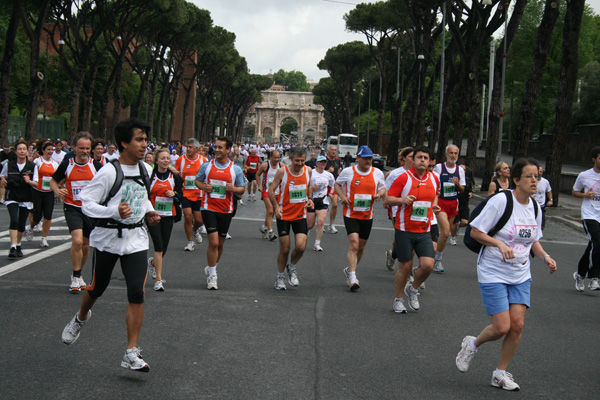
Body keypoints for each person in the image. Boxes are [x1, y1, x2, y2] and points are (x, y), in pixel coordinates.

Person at [61, 117, 160, 372]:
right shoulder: (109, 171)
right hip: (107, 239)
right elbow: (87, 203)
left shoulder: (145, 170)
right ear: (124, 143)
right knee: (96, 288)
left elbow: (142, 197)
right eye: (139, 140)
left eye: (146, 140)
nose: (144, 145)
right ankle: (81, 318)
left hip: (136, 239)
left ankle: (131, 352)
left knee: (137, 293)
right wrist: (114, 211)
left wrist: (148, 211)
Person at [455, 158, 557, 391]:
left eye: (537, 177)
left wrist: (546, 257)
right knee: (501, 327)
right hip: (493, 270)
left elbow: (534, 240)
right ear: (516, 180)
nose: (534, 181)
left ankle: (500, 373)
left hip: (521, 272)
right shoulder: (501, 201)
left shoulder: (535, 207)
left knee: (517, 326)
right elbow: (476, 231)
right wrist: (499, 245)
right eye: (529, 176)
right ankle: (473, 343)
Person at [384, 146, 440, 313]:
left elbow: (435, 194)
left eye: (426, 158)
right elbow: (388, 199)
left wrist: (434, 205)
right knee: (405, 267)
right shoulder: (403, 178)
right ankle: (398, 300)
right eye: (419, 157)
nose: (423, 160)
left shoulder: (434, 179)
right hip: (404, 229)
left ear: (430, 161)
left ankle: (413, 289)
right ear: (413, 160)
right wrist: (402, 200)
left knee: (428, 265)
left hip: (424, 229)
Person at [51, 132, 103, 292]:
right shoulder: (68, 163)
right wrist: (57, 191)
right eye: (81, 148)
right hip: (72, 207)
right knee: (78, 240)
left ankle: (79, 274)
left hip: (90, 209)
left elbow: (106, 185)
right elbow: (54, 180)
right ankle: (75, 276)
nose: (85, 151)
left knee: (86, 245)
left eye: (87, 148)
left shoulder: (96, 166)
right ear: (74, 148)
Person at [195, 136, 245, 290]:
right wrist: (204, 188)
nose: (216, 150)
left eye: (220, 147)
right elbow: (197, 180)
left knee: (221, 244)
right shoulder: (207, 166)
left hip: (226, 209)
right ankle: (212, 276)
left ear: (228, 150)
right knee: (214, 242)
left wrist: (233, 189)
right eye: (215, 147)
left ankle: (212, 267)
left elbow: (242, 190)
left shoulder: (235, 169)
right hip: (208, 207)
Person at [335, 146, 386, 290]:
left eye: (370, 158)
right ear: (358, 158)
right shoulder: (348, 172)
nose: (368, 161)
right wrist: (343, 196)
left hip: (367, 215)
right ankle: (352, 276)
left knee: (361, 247)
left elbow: (383, 188)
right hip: (351, 213)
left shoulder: (377, 173)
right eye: (365, 158)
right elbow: (337, 184)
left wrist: (379, 195)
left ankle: (350, 269)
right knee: (354, 244)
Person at [269, 146, 314, 290]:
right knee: (285, 248)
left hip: (300, 214)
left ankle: (291, 266)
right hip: (284, 214)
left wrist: (311, 198)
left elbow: (309, 185)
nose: (300, 164)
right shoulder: (283, 171)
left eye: (302, 161)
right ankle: (280, 276)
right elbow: (271, 190)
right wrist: (276, 206)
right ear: (290, 158)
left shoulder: (308, 171)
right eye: (297, 161)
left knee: (301, 247)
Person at [147, 148, 183, 291]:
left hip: (168, 215)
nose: (166, 161)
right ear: (156, 160)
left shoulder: (175, 177)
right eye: (162, 158)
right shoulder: (150, 176)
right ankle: (158, 280)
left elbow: (181, 194)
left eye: (167, 158)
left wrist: (174, 193)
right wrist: (148, 211)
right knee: (158, 245)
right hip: (153, 215)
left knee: (163, 248)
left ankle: (153, 263)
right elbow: (144, 194)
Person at [432, 144, 465, 272]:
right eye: (451, 153)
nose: (453, 156)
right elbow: (432, 181)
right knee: (445, 232)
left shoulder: (460, 170)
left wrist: (457, 185)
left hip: (453, 203)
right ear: (446, 154)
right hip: (441, 202)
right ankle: (438, 260)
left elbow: (462, 190)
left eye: (455, 153)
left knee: (445, 235)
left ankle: (437, 256)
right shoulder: (439, 168)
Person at [0, 139, 35, 257]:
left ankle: (19, 244)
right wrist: (3, 180)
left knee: (21, 223)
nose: (22, 151)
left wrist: (29, 181)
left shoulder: (32, 166)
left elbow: (36, 183)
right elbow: (2, 176)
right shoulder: (9, 165)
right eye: (19, 149)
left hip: (26, 197)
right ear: (15, 151)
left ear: (27, 151)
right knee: (14, 220)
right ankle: (13, 246)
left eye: (24, 149)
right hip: (13, 196)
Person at [572, 146, 600, 291]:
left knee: (593, 246)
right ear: (594, 159)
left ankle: (580, 274)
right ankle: (594, 278)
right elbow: (575, 191)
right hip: (589, 215)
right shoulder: (584, 175)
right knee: (598, 244)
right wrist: (585, 195)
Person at [384, 147, 414, 271]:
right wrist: (387, 201)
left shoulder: (421, 174)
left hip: (415, 211)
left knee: (407, 240)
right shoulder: (395, 174)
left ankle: (393, 254)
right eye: (411, 157)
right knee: (402, 238)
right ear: (404, 159)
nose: (413, 159)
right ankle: (408, 273)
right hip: (398, 210)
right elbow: (387, 191)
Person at [175, 138, 207, 251]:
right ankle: (190, 242)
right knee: (188, 216)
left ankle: (194, 230)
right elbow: (176, 174)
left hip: (199, 194)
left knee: (199, 220)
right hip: (186, 193)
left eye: (190, 147)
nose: (187, 149)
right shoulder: (181, 160)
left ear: (196, 149)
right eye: (186, 147)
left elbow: (208, 176)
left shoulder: (203, 160)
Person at [27, 140, 59, 247]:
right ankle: (30, 228)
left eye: (52, 150)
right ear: (43, 150)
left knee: (48, 216)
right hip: (37, 191)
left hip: (49, 192)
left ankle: (44, 238)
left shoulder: (55, 164)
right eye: (48, 150)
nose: (50, 152)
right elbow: (31, 171)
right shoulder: (38, 161)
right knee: (36, 217)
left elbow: (58, 178)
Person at [307, 155, 335, 251]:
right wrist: (311, 188)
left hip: (323, 200)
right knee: (310, 225)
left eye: (324, 162)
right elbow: (304, 185)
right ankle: (305, 233)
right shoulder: (311, 173)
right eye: (321, 162)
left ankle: (317, 243)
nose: (322, 164)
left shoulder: (329, 175)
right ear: (317, 163)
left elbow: (333, 185)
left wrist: (330, 193)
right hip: (311, 200)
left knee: (320, 223)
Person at [255, 150, 282, 241]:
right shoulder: (265, 165)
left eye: (278, 157)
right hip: (267, 190)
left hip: (277, 192)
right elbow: (257, 175)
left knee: (272, 213)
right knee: (270, 211)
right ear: (271, 157)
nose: (277, 159)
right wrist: (259, 185)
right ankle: (271, 232)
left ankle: (264, 228)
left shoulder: (282, 166)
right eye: (275, 157)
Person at [449, 164, 474, 245]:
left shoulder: (467, 180)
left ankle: (457, 228)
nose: (462, 171)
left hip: (464, 204)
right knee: (454, 223)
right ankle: (453, 238)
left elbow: (469, 189)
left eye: (464, 170)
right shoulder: (452, 179)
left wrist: (470, 193)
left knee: (465, 222)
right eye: (461, 169)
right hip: (456, 203)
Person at [325, 145, 342, 233]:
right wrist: (328, 171)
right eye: (332, 150)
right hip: (323, 185)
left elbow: (338, 172)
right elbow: (318, 171)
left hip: (334, 185)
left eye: (335, 150)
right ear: (328, 151)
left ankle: (331, 224)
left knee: (335, 205)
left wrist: (341, 182)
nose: (333, 151)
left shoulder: (338, 160)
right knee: (324, 207)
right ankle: (321, 224)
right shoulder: (323, 160)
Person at [532, 166, 553, 231]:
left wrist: (550, 200)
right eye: (539, 171)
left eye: (541, 171)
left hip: (541, 206)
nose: (540, 173)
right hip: (532, 205)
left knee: (542, 224)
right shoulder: (531, 181)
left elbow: (549, 191)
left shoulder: (545, 182)